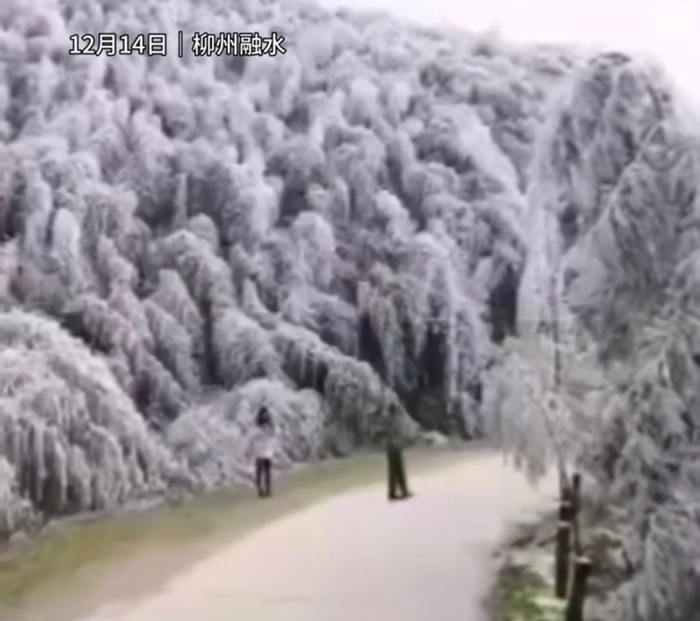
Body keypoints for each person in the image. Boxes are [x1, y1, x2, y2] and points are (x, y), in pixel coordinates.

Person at [386, 402, 412, 501]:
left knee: (394, 471)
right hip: (394, 448)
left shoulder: (389, 420)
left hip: (392, 447)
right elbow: (395, 434)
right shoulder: (393, 421)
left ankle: (394, 492)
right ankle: (402, 491)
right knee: (398, 470)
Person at [251, 406, 276, 498]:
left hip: (267, 451)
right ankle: (260, 490)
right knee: (259, 472)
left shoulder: (269, 425)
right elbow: (252, 437)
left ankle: (268, 490)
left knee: (267, 472)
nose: (265, 415)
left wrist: (271, 424)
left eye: (266, 413)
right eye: (264, 414)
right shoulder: (257, 426)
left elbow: (273, 434)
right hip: (259, 451)